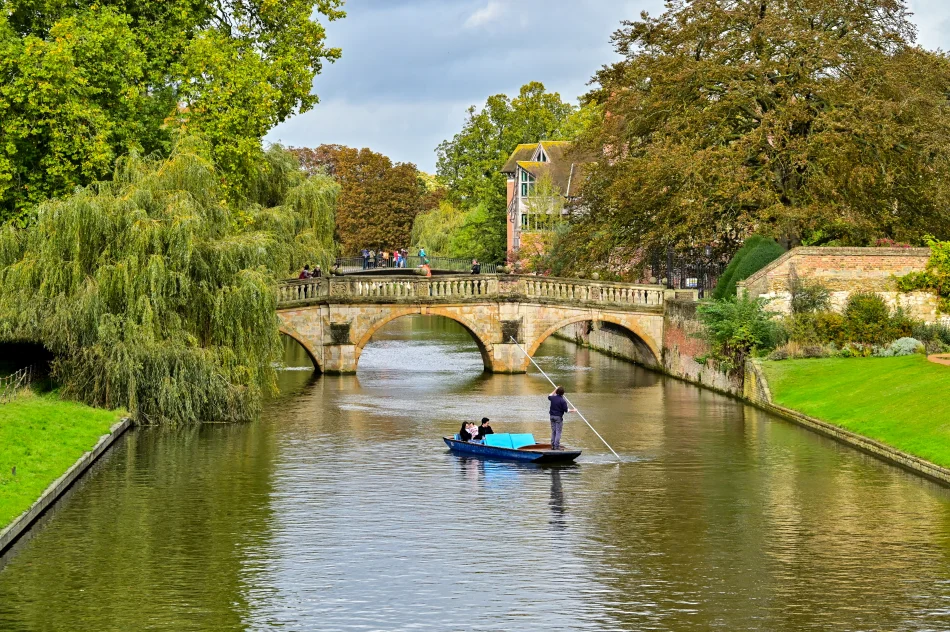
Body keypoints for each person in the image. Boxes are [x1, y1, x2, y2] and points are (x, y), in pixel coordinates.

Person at [547, 386, 575, 450]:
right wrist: (574, 410)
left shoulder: (553, 398)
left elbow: (549, 395)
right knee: (558, 432)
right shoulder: (562, 401)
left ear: (556, 392)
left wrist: (555, 389)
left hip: (552, 417)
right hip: (558, 418)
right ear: (563, 393)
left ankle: (552, 445)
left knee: (553, 431)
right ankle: (556, 446)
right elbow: (567, 410)